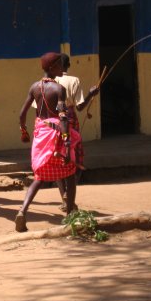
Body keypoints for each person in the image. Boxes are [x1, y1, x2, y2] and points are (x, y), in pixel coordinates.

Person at [15, 52, 81, 232]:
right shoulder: (59, 89)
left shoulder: (34, 87)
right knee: (69, 172)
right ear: (52, 68)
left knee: (39, 176)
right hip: (57, 134)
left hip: (40, 133)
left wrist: (24, 132)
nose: (63, 68)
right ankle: (70, 215)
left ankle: (22, 211)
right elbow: (63, 117)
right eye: (60, 65)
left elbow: (22, 115)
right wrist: (67, 143)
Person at [54, 54, 99, 211]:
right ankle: (69, 198)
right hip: (70, 120)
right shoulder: (73, 80)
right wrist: (91, 94)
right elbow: (80, 106)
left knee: (58, 157)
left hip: (54, 122)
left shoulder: (49, 81)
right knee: (77, 159)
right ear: (69, 65)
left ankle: (64, 197)